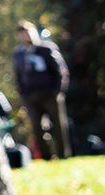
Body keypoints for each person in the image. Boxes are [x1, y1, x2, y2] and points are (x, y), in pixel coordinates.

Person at [12, 21, 71, 161]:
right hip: (31, 96)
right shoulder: (19, 54)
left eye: (27, 32)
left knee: (58, 125)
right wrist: (23, 95)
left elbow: (60, 71)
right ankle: (46, 157)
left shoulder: (46, 49)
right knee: (37, 127)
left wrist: (58, 91)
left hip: (50, 94)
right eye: (22, 33)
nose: (25, 36)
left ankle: (63, 155)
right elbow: (18, 76)